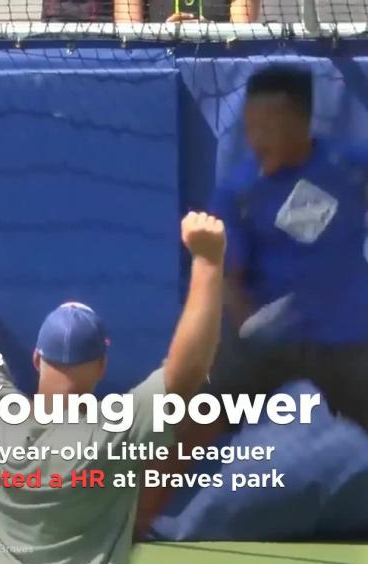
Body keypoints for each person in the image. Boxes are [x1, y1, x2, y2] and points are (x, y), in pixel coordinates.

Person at [0, 161, 225, 564]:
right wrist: (209, 263)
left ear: (37, 358)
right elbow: (186, 373)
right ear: (102, 366)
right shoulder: (114, 434)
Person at [136, 64, 368, 537]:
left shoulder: (351, 168)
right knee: (192, 427)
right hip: (265, 341)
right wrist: (249, 321)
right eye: (250, 124)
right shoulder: (239, 192)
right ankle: (126, 528)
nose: (255, 135)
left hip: (348, 342)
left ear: (300, 121)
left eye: (267, 124)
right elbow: (227, 275)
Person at [42, 0, 259, 25]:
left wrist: (211, 33)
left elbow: (242, 30)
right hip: (159, 60)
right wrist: (165, 33)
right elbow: (129, 28)